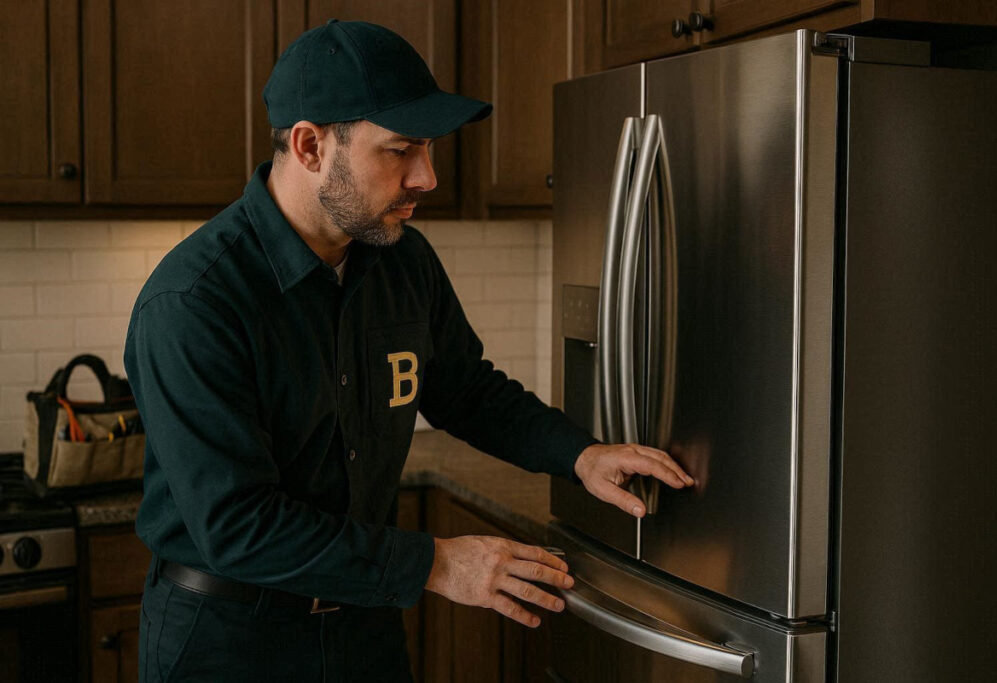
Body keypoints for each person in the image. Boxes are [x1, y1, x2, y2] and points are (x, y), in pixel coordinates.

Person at [125, 19, 693, 682]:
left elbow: (463, 389)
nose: (427, 177)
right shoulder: (196, 301)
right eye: (400, 150)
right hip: (229, 644)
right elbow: (238, 525)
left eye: (427, 148)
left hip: (365, 630)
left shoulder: (403, 262)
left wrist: (579, 454)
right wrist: (437, 563)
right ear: (310, 146)